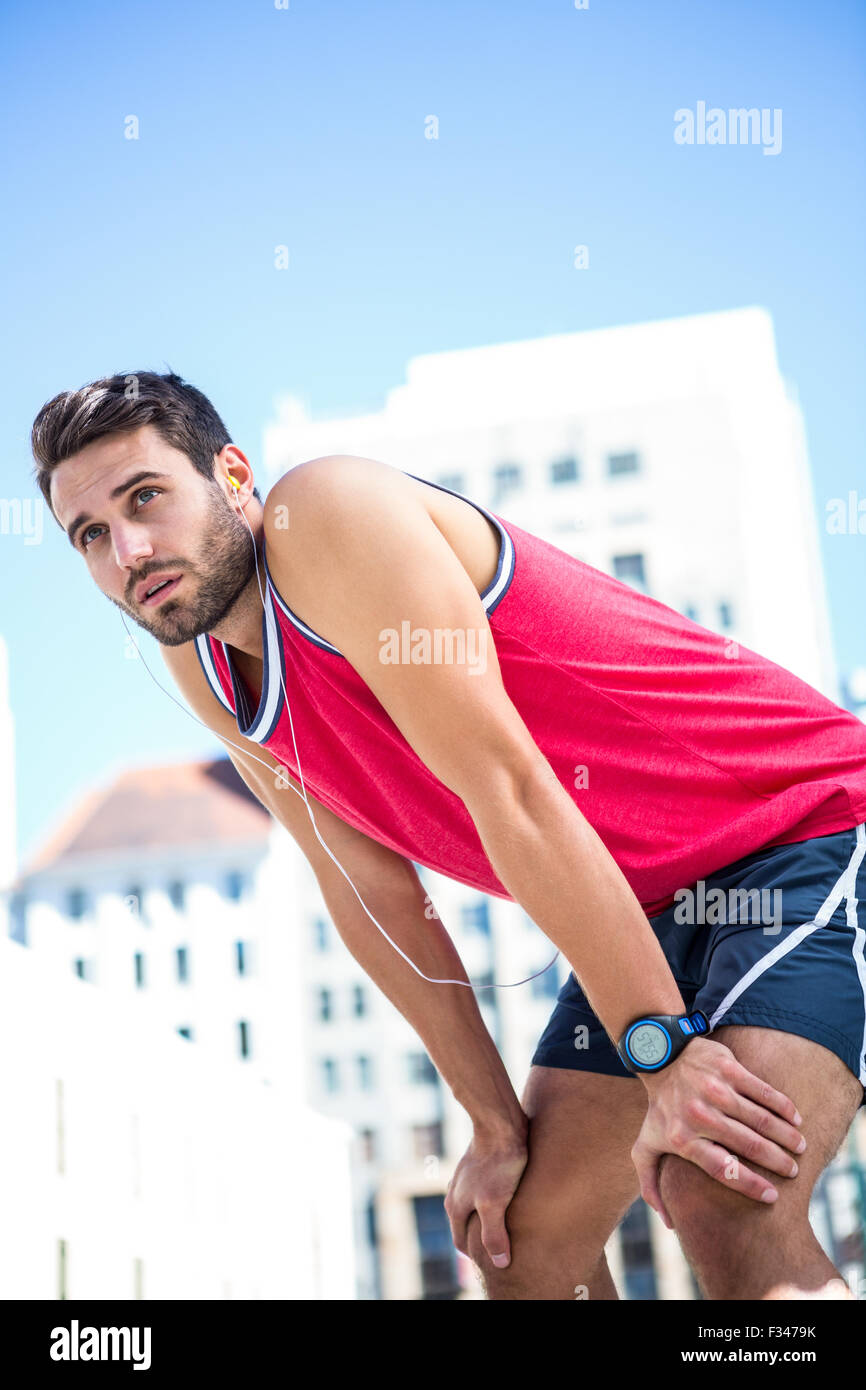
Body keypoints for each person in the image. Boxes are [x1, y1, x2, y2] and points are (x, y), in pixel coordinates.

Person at [32, 370, 866, 1301]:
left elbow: (508, 788)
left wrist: (661, 1050)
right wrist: (492, 1122)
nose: (130, 550)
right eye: (91, 536)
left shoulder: (325, 515)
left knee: (717, 1191)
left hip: (812, 826)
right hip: (650, 905)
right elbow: (367, 890)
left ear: (232, 474)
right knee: (516, 1247)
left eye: (146, 497)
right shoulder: (201, 661)